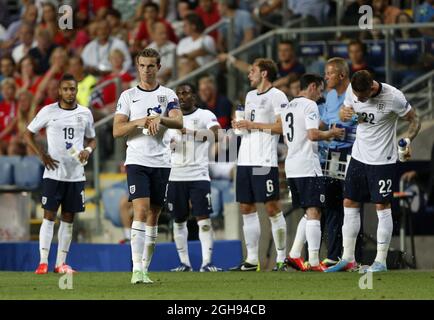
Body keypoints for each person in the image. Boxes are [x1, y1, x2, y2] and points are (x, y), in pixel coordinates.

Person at [325, 70, 421, 273]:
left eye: (363, 96)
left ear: (372, 87)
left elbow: (415, 120)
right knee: (349, 201)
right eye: (357, 96)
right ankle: (348, 258)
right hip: (358, 157)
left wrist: (408, 140)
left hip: (382, 161)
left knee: (382, 205)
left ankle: (381, 261)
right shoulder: (353, 90)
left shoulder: (393, 96)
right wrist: (345, 114)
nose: (359, 99)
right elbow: (344, 111)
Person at [113, 48, 183, 284]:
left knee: (154, 215)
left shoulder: (168, 94)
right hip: (137, 160)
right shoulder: (128, 96)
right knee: (140, 211)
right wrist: (140, 121)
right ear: (137, 66)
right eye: (142, 65)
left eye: (151, 65)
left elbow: (179, 121)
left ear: (158, 67)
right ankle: (136, 271)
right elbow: (117, 130)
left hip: (161, 161)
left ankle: (145, 269)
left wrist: (159, 119)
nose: (146, 70)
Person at [26, 74, 97, 274]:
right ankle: (42, 262)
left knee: (68, 218)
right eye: (65, 89)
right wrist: (42, 154)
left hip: (75, 175)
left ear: (76, 90)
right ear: (59, 91)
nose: (69, 92)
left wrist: (88, 151)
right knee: (48, 216)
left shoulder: (85, 113)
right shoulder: (48, 111)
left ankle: (60, 264)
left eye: (72, 89)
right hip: (53, 174)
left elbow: (92, 139)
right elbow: (28, 133)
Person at [230, 58, 289, 272]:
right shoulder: (249, 96)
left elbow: (281, 127)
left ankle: (282, 259)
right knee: (246, 207)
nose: (249, 74)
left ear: (264, 73)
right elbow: (248, 127)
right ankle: (252, 260)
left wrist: (252, 124)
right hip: (245, 158)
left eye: (252, 71)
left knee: (271, 206)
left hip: (264, 160)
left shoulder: (278, 95)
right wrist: (240, 126)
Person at [282, 73, 345, 272]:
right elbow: (313, 134)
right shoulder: (309, 105)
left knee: (309, 212)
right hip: (307, 165)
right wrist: (331, 134)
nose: (321, 93)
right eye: (319, 89)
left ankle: (293, 255)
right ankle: (315, 262)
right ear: (311, 86)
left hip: (292, 165)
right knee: (315, 211)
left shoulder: (288, 106)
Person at [167, 83, 222, 272]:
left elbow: (216, 133)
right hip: (175, 175)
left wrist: (189, 133)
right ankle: (185, 263)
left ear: (194, 97)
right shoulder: (169, 119)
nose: (182, 97)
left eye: (186, 93)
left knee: (203, 218)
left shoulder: (205, 115)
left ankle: (207, 262)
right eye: (179, 94)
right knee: (178, 220)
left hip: (199, 174)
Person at [320, 57, 364, 267]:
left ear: (342, 75)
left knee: (351, 203)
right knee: (332, 203)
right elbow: (328, 121)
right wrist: (327, 132)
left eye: (329, 73)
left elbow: (363, 119)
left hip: (351, 152)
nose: (325, 77)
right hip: (333, 153)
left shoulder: (354, 94)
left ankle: (354, 255)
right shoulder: (329, 96)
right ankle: (333, 254)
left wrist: (346, 128)